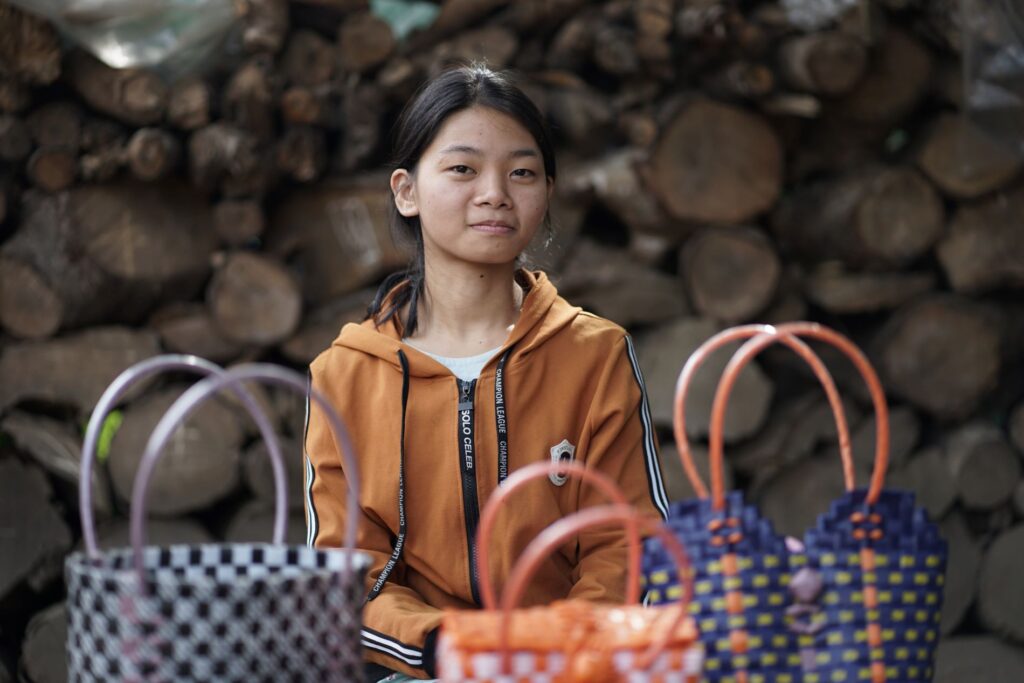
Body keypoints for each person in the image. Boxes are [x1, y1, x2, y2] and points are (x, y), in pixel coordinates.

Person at [303, 63, 670, 682]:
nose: (495, 192)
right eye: (462, 169)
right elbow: (343, 569)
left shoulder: (595, 353)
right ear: (406, 191)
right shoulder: (344, 375)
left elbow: (628, 539)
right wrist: (448, 646)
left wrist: (555, 650)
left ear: (547, 191)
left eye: (522, 172)